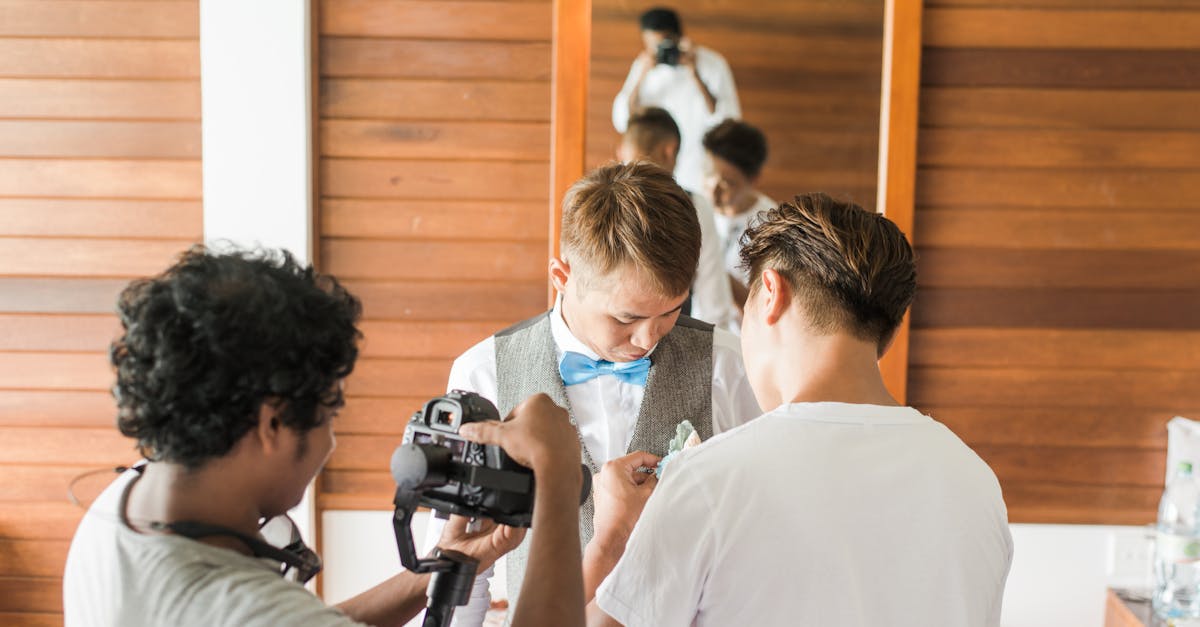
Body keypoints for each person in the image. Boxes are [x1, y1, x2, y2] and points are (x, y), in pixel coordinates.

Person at [62, 247, 588, 627]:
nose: (330, 443)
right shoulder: (232, 606)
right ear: (272, 424)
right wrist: (558, 483)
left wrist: (442, 570)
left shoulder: (120, 508)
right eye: (328, 414)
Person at [585, 194, 1014, 626]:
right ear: (890, 325)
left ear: (770, 293)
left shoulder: (709, 478)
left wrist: (611, 539)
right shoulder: (974, 479)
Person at [430, 161, 762, 625]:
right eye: (625, 318)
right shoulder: (483, 373)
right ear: (562, 277)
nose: (649, 338)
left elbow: (758, 535)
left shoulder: (730, 364)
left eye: (669, 311)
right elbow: (464, 570)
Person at [617, 107, 738, 332]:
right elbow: (715, 305)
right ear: (670, 150)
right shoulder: (694, 206)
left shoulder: (595, 201)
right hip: (669, 342)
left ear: (622, 150)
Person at [612, 7, 741, 192]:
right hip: (654, 169)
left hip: (698, 168)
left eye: (662, 44)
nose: (657, 51)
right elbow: (623, 119)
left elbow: (727, 120)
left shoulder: (712, 64)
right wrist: (642, 75)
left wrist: (694, 73)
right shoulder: (644, 66)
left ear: (678, 38)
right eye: (650, 45)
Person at [702, 118, 776, 307]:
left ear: (754, 179)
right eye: (709, 174)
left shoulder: (771, 226)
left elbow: (766, 305)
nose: (713, 190)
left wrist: (711, 267)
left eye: (727, 183)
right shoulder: (699, 208)